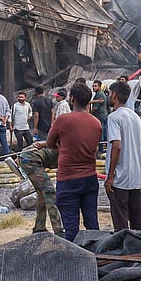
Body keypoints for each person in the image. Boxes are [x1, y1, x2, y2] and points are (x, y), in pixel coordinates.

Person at [47, 82, 102, 242]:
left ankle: (73, 256)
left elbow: (50, 143)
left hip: (68, 179)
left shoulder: (62, 120)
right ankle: (97, 252)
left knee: (71, 228)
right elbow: (95, 147)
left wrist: (64, 148)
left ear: (72, 99)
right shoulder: (96, 123)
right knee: (92, 224)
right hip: (90, 178)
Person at [104, 81, 141, 230]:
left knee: (120, 221)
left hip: (120, 176)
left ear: (114, 96)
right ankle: (139, 244)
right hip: (135, 174)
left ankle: (123, 243)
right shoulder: (136, 117)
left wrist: (110, 176)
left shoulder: (114, 117)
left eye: (109, 94)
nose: (109, 96)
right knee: (136, 220)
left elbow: (117, 145)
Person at [89, 80, 109, 151]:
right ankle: (105, 147)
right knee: (104, 131)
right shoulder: (101, 94)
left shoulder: (99, 94)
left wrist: (90, 114)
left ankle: (101, 148)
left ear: (100, 87)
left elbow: (95, 107)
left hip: (100, 116)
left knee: (101, 132)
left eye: (95, 86)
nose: (94, 87)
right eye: (93, 86)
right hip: (104, 115)